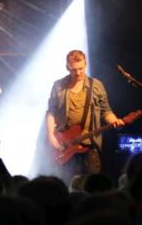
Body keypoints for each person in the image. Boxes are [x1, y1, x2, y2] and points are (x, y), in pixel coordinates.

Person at [45, 49, 125, 178]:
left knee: (92, 183)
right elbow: (51, 112)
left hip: (89, 145)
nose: (78, 73)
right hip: (65, 144)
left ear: (86, 64)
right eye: (73, 69)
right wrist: (51, 135)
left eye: (81, 68)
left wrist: (114, 120)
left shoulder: (96, 86)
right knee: (66, 182)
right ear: (67, 67)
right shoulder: (58, 86)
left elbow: (106, 111)